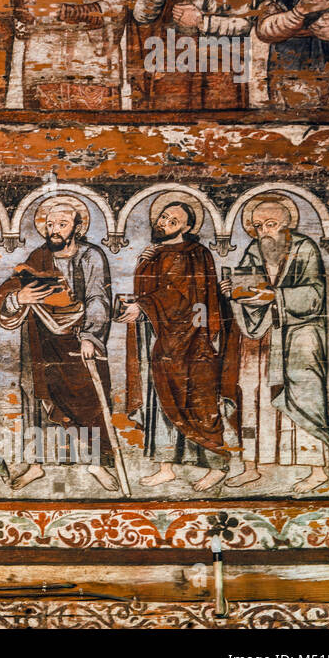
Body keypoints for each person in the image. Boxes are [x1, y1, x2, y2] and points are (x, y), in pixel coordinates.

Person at [0, 197, 119, 492]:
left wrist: (91, 336)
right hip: (41, 341)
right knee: (39, 403)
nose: (54, 230)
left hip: (79, 340)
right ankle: (36, 465)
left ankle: (96, 464)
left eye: (62, 224)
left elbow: (98, 299)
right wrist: (18, 299)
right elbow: (8, 292)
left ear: (77, 227)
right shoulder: (38, 257)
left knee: (88, 404)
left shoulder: (91, 256)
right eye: (50, 224)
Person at [119, 198, 237, 491]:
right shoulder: (155, 253)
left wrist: (145, 304)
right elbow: (154, 290)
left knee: (199, 402)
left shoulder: (197, 254)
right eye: (162, 217)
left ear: (187, 226)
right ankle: (166, 467)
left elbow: (185, 296)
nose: (164, 223)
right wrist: (144, 267)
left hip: (192, 340)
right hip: (162, 341)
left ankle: (217, 464)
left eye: (173, 220)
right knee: (161, 402)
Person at [223, 196, 329, 492]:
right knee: (251, 394)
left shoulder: (304, 248)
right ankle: (252, 465)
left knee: (304, 395)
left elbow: (316, 295)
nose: (264, 233)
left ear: (287, 225)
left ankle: (316, 469)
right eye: (258, 226)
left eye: (271, 225)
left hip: (298, 336)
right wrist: (233, 290)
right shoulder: (254, 251)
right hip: (259, 335)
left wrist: (276, 297)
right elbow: (247, 289)